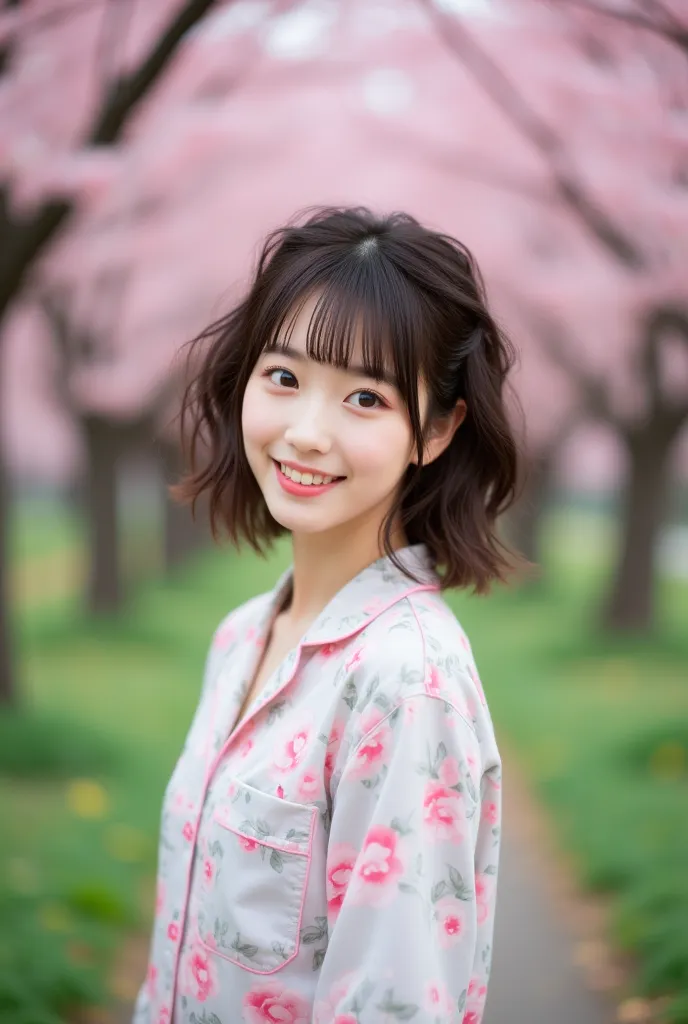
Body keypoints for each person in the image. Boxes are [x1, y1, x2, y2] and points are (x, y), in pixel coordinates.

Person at [133, 207, 522, 1024]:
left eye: (365, 398)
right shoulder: (243, 634)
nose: (306, 433)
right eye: (283, 377)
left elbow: (395, 1003)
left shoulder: (406, 680)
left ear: (439, 429)